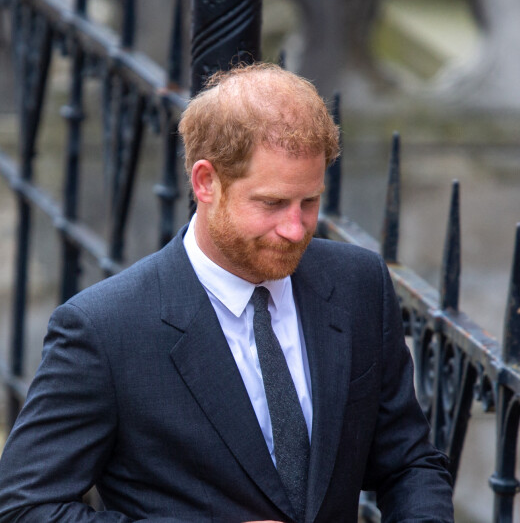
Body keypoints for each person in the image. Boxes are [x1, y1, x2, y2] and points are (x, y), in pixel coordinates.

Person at [0, 63, 454, 522]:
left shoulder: (358, 283)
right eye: (272, 203)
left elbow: (409, 462)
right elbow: (25, 508)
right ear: (205, 183)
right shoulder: (104, 329)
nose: (296, 229)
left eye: (309, 202)